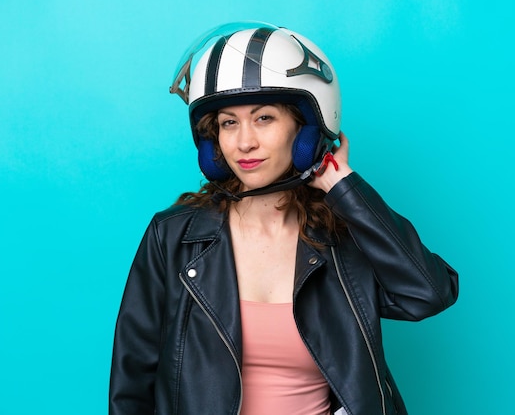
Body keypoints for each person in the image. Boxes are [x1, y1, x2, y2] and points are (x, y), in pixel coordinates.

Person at [109, 21, 458, 415]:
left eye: (264, 118)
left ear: (305, 129)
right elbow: (131, 380)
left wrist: (345, 188)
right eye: (228, 123)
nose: (244, 142)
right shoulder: (173, 236)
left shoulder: (343, 236)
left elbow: (428, 294)